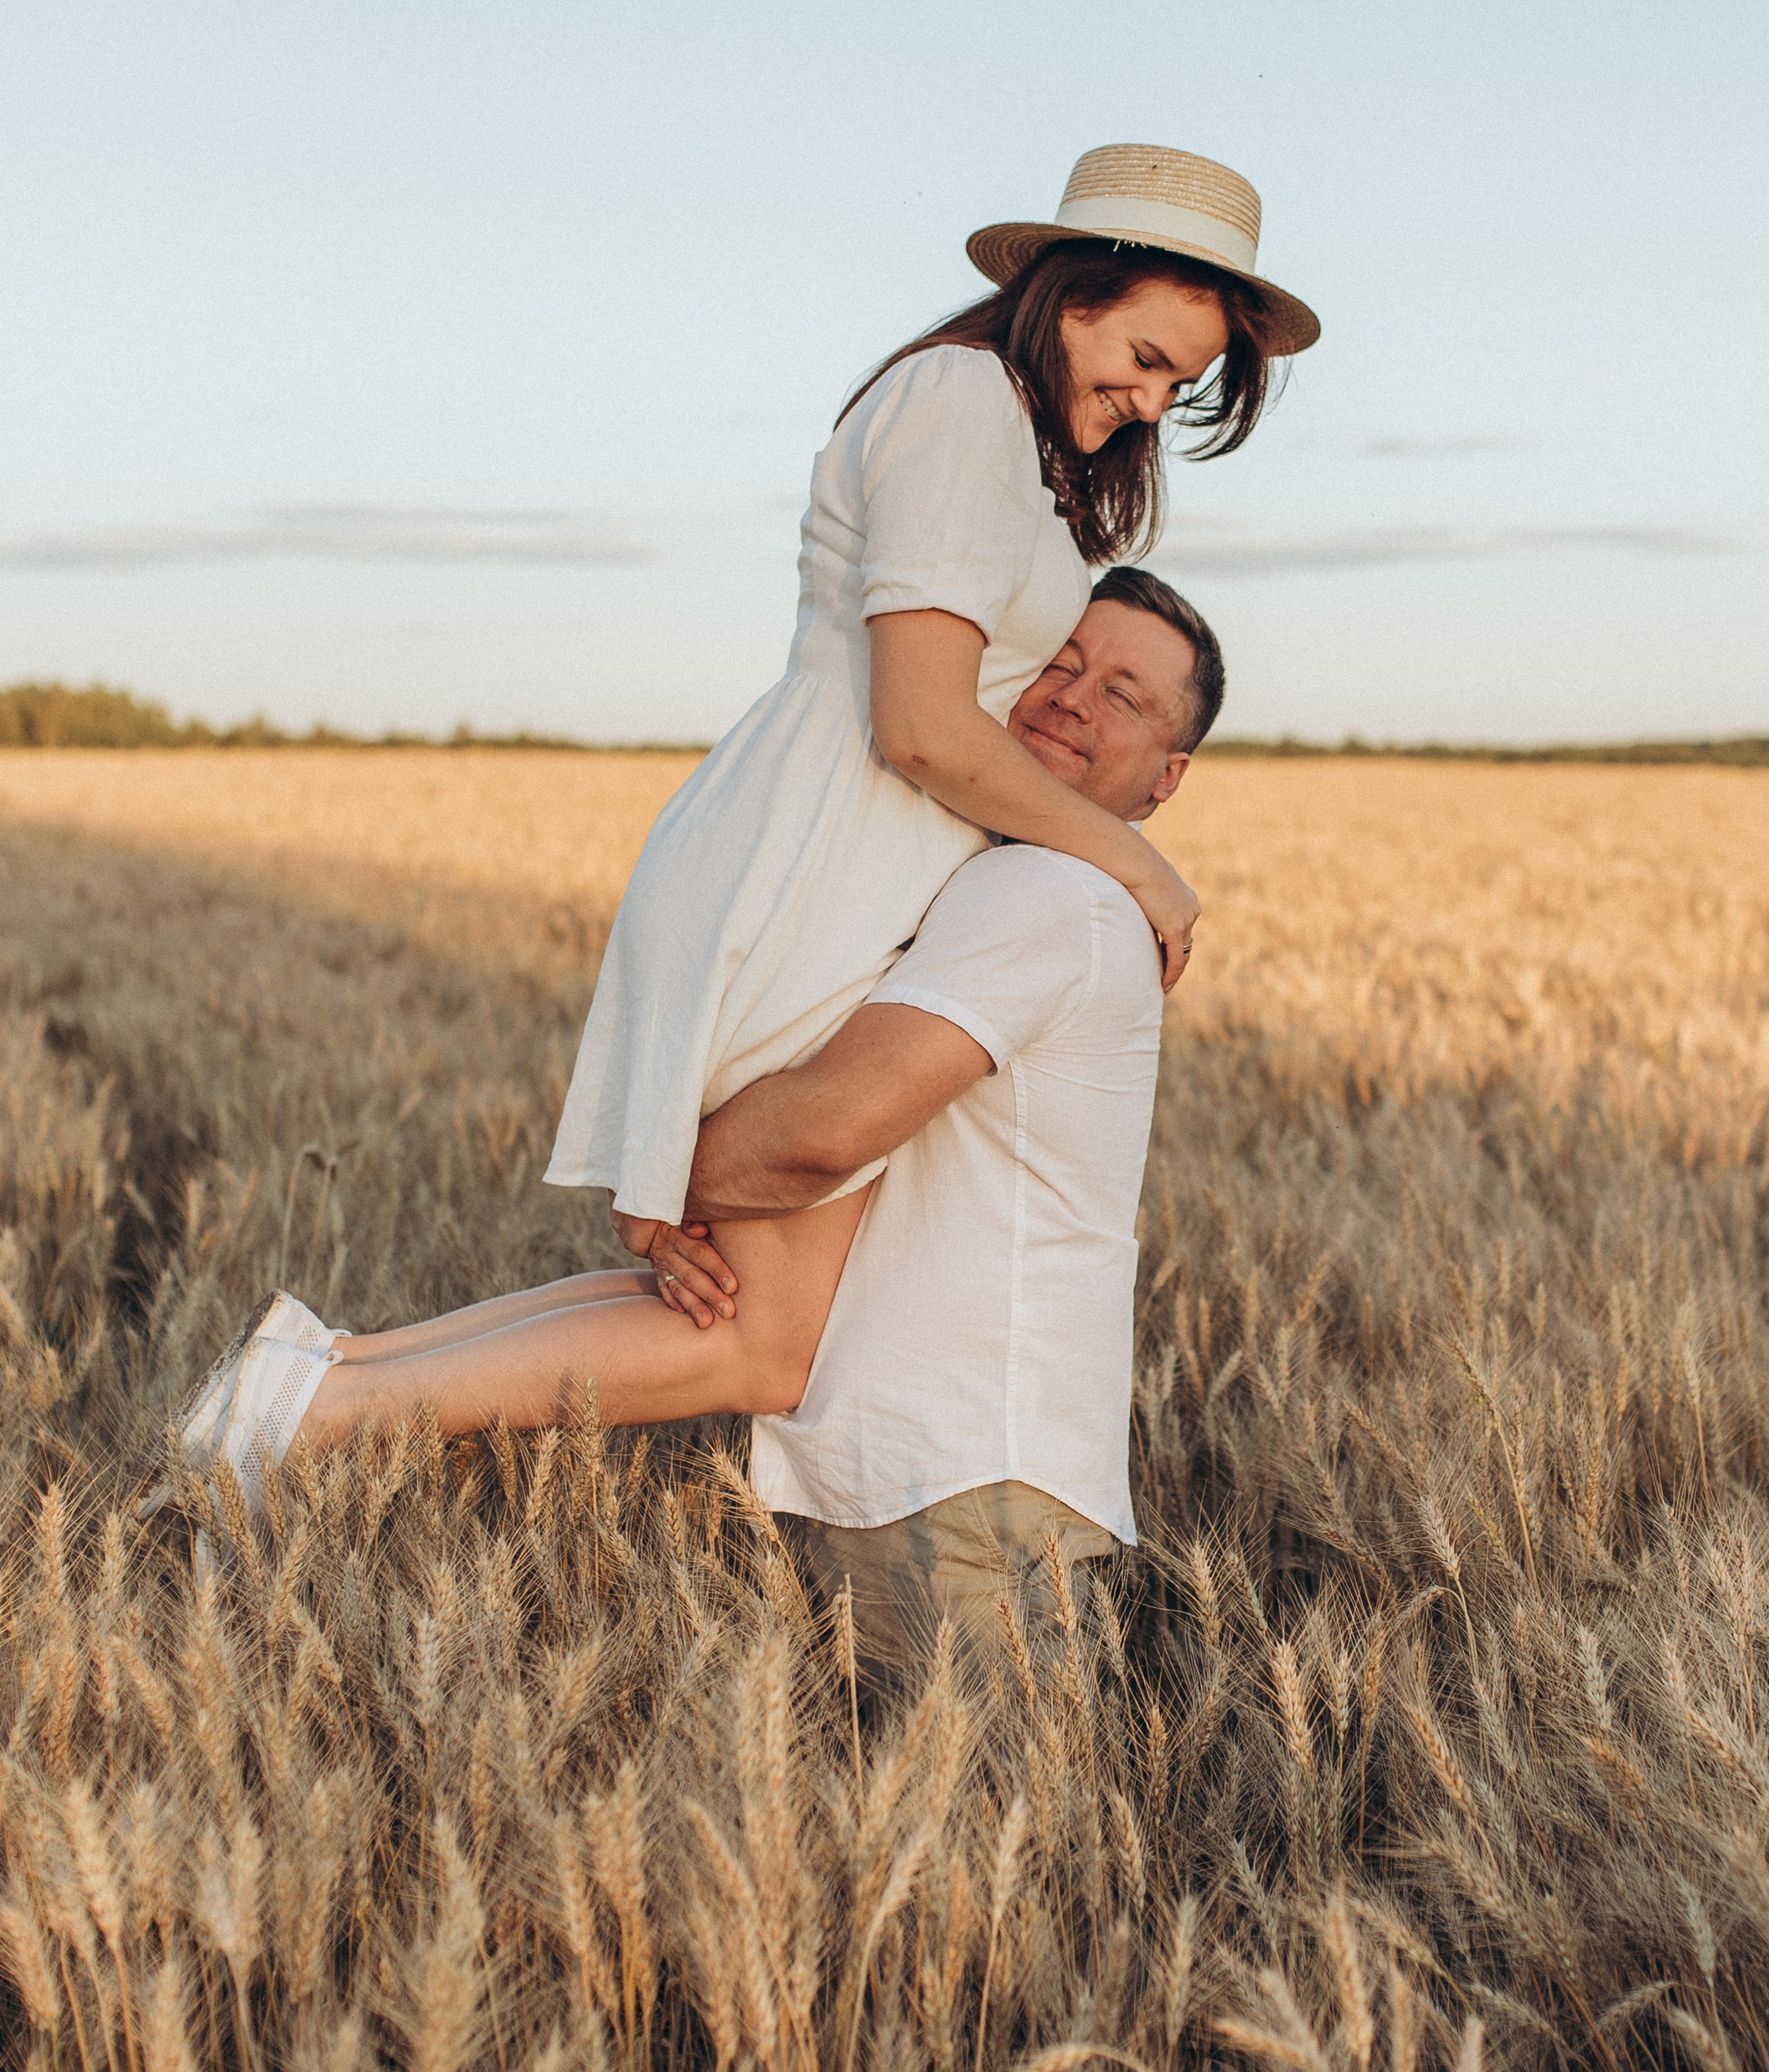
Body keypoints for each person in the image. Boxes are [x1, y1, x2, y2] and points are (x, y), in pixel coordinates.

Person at [170, 574, 1225, 1688]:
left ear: (1167, 777)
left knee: (972, 1834)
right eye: (1061, 663)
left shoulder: (1048, 896)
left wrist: (666, 1174)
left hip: (966, 1483)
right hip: (934, 1476)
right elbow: (820, 1141)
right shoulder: (1006, 879)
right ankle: (320, 1386)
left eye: (1123, 695)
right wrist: (682, 1181)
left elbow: (819, 1135)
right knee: (976, 1839)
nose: (1072, 699)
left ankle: (320, 1387)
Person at [544, 140, 1316, 1383]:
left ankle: (308, 1394)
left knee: (737, 1315)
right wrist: (1141, 868)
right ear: (1071, 299)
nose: (1157, 405)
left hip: (856, 855)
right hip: (821, 853)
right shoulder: (963, 406)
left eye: (1189, 386)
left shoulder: (1007, 435)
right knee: (751, 1332)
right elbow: (920, 724)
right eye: (1148, 361)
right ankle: (306, 1410)